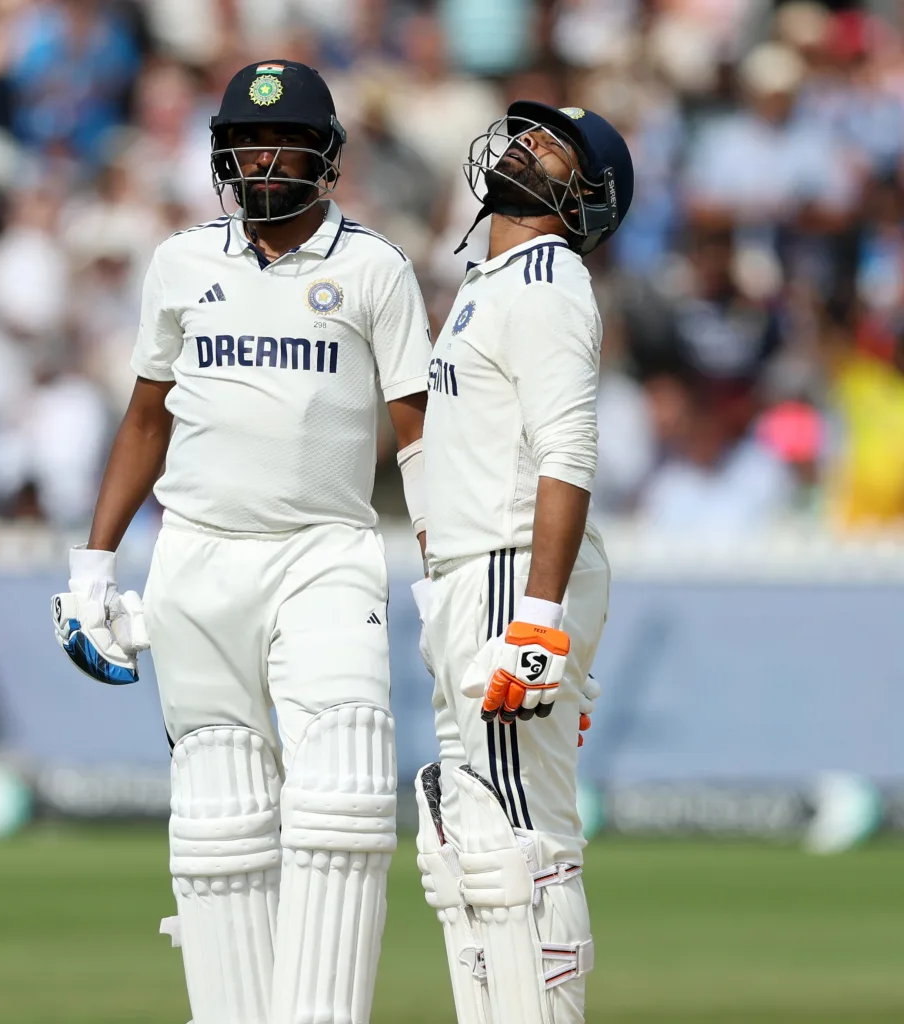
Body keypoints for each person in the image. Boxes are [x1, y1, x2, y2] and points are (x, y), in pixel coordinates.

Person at [51, 61, 430, 1024]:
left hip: (326, 551)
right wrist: (93, 567)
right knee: (218, 823)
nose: (264, 161)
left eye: (286, 143)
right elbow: (147, 417)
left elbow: (418, 435)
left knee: (343, 790)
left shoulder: (373, 268)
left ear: (326, 154)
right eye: (246, 144)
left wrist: (450, 567)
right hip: (197, 557)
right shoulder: (182, 263)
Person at [412, 102, 633, 1024]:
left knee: (521, 839)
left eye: (553, 147)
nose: (525, 145)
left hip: (515, 570)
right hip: (475, 570)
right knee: (466, 841)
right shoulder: (490, 280)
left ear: (586, 198)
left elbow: (569, 451)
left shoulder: (549, 278)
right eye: (528, 133)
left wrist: (538, 615)